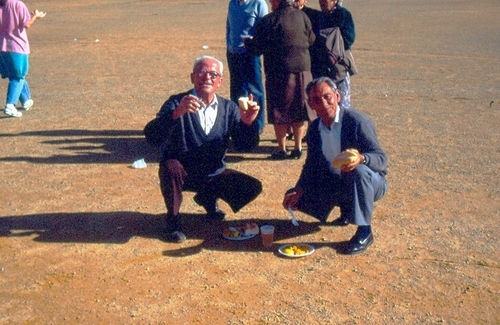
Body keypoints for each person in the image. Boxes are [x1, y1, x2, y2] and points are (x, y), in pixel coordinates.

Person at [154, 55, 263, 243]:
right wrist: (176, 113)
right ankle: (173, 220)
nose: (207, 77)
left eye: (214, 74)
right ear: (192, 77)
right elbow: (152, 136)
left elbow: (245, 145)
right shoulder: (177, 102)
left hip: (213, 173)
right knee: (170, 166)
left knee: (251, 187)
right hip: (182, 173)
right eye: (202, 72)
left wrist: (247, 123)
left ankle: (207, 199)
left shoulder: (229, 108)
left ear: (220, 82)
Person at [282, 77, 388, 254]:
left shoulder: (357, 122)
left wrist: (361, 158)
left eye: (327, 96)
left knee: (359, 172)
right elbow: (311, 166)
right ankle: (346, 210)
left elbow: (381, 159)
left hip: (371, 183)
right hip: (339, 181)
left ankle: (364, 231)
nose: (323, 103)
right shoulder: (315, 128)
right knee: (294, 196)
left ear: (337, 96)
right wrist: (299, 189)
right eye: (316, 100)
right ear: (310, 104)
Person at [245, 0, 316, 160]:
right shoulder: (303, 16)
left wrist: (247, 43)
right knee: (299, 109)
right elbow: (311, 39)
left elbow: (258, 47)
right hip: (303, 69)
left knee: (280, 111)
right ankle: (297, 147)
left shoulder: (269, 20)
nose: (270, 2)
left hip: (279, 72)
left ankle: (281, 149)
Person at [226, 0, 268, 134]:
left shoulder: (259, 4)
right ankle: (239, 124)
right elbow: (229, 25)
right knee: (237, 90)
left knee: (254, 90)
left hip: (251, 54)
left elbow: (263, 29)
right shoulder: (233, 3)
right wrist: (229, 44)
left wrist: (253, 44)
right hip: (233, 53)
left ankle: (257, 125)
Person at [0, 0, 46, 117]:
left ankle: (25, 100)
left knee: (14, 74)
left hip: (2, 46)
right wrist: (35, 16)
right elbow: (27, 24)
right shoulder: (17, 4)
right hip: (17, 46)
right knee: (18, 76)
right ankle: (10, 104)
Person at [311, 0, 355, 110]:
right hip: (321, 69)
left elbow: (349, 38)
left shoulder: (343, 15)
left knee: (341, 106)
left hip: (339, 68)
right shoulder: (319, 17)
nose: (321, 2)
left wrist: (331, 44)